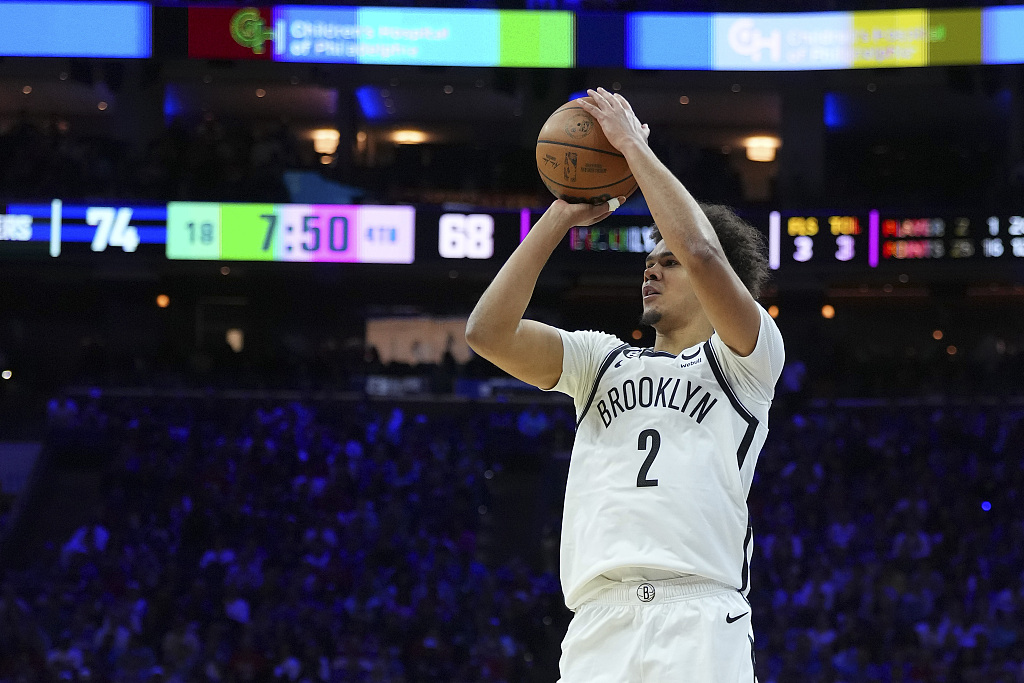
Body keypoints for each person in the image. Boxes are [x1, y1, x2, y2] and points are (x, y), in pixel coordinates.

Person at [466, 87, 784, 682]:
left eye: (667, 263)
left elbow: (702, 251)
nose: (652, 267)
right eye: (649, 261)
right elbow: (487, 332)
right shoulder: (600, 361)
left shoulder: (748, 361)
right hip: (598, 622)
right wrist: (560, 212)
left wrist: (632, 146)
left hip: (698, 620)